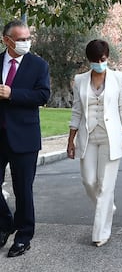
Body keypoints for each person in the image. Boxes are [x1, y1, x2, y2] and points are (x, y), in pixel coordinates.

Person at [66, 39, 122, 247]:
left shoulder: (118, 78)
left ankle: (100, 233)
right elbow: (77, 110)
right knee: (89, 181)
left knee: (105, 185)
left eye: (102, 59)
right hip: (88, 137)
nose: (99, 63)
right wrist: (71, 139)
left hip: (111, 137)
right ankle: (107, 207)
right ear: (89, 61)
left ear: (108, 57)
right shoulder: (80, 80)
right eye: (95, 60)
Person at [0, 20, 50, 257]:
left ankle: (23, 236)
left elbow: (43, 95)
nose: (25, 43)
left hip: (24, 138)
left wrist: (12, 94)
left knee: (23, 190)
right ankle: (5, 223)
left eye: (28, 38)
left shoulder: (38, 65)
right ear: (6, 40)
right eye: (20, 40)